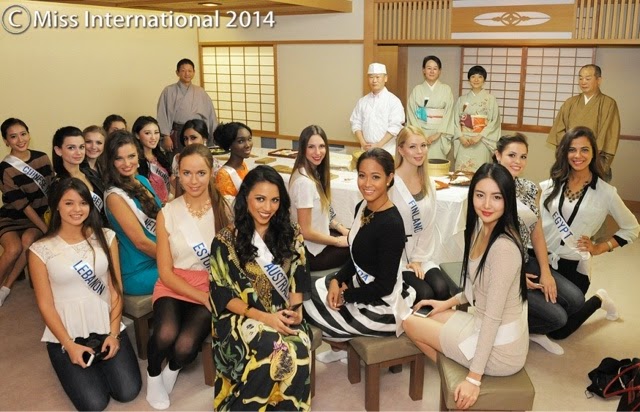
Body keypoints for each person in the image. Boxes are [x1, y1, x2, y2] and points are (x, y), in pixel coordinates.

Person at [403, 163, 528, 411]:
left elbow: (493, 316)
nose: (487, 204)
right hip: (484, 326)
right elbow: (476, 288)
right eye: (480, 195)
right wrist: (446, 303)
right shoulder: (481, 229)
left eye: (496, 197)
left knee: (408, 322)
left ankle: (461, 374)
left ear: (508, 199)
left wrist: (474, 379)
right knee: (426, 314)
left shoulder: (503, 247)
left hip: (501, 349)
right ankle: (455, 366)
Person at [28, 178, 141, 411]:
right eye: (68, 203)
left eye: (83, 203)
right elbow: (45, 305)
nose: (77, 209)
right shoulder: (40, 250)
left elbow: (115, 289)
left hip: (105, 324)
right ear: (56, 206)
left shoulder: (106, 237)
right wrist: (69, 345)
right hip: (67, 334)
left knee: (128, 391)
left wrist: (113, 334)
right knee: (94, 404)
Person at [209, 165, 312, 411]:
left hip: (281, 311)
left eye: (275, 200)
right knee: (271, 345)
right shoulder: (225, 240)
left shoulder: (291, 233)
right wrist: (265, 318)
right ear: (246, 197)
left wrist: (296, 310)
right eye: (260, 199)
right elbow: (222, 295)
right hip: (240, 315)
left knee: (299, 345)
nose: (268, 207)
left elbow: (298, 275)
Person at [304, 148, 415, 363]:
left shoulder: (392, 224)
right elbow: (357, 257)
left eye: (376, 177)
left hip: (381, 304)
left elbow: (384, 286)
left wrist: (346, 296)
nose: (367, 183)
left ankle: (344, 346)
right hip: (361, 284)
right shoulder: (362, 206)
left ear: (389, 178)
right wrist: (337, 280)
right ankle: (341, 343)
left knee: (309, 308)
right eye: (362, 175)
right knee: (304, 291)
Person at [146, 144, 230, 410]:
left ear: (212, 173)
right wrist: (201, 297)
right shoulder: (167, 213)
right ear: (178, 174)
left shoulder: (224, 209)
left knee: (184, 347)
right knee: (165, 333)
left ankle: (172, 368)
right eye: (187, 173)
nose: (194, 181)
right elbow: (165, 272)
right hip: (173, 283)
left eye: (201, 173)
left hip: (209, 284)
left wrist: (213, 294)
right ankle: (153, 374)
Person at [539, 126, 639, 339]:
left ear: (593, 153)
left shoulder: (606, 193)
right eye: (572, 150)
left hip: (573, 266)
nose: (578, 155)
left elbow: (632, 228)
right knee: (537, 313)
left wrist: (600, 247)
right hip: (541, 260)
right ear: (565, 153)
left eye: (584, 149)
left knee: (559, 331)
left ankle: (599, 299)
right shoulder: (552, 183)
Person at [494, 134, 584, 355]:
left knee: (576, 300)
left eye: (523, 156)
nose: (518, 161)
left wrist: (546, 272)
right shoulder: (488, 189)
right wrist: (515, 277)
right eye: (511, 155)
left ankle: (523, 319)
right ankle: (509, 326)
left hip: (524, 261)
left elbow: (537, 233)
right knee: (558, 318)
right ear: (497, 156)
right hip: (499, 269)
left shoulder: (529, 188)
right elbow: (484, 243)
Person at [391, 126, 451, 303]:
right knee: (424, 293)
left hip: (421, 253)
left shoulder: (428, 183)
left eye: (423, 145)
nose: (419, 151)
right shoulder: (390, 183)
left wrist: (417, 259)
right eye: (412, 146)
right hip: (396, 256)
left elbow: (429, 225)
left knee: (442, 289)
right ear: (401, 150)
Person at [0, 118, 53, 307]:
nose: (20, 140)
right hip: (12, 217)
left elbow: (52, 189)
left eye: (23, 134)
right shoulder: (5, 169)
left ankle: (5, 288)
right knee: (13, 249)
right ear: (6, 141)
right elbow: (22, 206)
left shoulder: (42, 158)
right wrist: (46, 230)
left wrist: (48, 223)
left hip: (37, 217)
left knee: (27, 241)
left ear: (29, 134)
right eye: (13, 137)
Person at [103, 131, 162, 296]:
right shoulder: (114, 197)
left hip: (159, 257)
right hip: (139, 270)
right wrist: (176, 258)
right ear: (111, 161)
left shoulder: (142, 180)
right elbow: (141, 243)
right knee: (193, 273)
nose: (127, 163)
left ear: (138, 154)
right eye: (119, 158)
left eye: (131, 156)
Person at [289, 125, 350, 271]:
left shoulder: (311, 172)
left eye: (321, 146)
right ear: (303, 148)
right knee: (362, 245)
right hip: (311, 252)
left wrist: (341, 229)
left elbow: (324, 213)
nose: (317, 152)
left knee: (356, 234)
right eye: (311, 147)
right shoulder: (304, 183)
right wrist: (337, 241)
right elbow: (305, 231)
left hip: (318, 241)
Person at [547, 64, 620, 181]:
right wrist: (570, 151)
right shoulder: (570, 103)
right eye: (580, 78)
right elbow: (559, 130)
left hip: (594, 160)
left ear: (599, 80)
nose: (583, 82)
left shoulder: (608, 104)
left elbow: (609, 135)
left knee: (592, 190)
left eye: (588, 78)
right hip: (571, 159)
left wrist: (587, 154)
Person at [157, 58, 217, 153]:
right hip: (178, 132)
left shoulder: (200, 91)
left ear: (194, 72)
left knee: (197, 156)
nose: (187, 74)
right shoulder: (168, 91)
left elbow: (210, 114)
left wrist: (213, 134)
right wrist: (166, 136)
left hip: (197, 132)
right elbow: (162, 114)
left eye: (190, 71)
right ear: (177, 72)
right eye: (183, 71)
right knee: (179, 158)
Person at [51, 126, 107, 225]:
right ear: (58, 150)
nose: (78, 152)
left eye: (81, 147)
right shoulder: (59, 184)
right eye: (71, 148)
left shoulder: (91, 173)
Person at [453, 65, 501, 172]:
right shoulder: (461, 99)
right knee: (462, 172)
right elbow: (455, 121)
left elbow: (494, 122)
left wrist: (479, 136)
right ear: (469, 80)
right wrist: (460, 137)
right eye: (473, 76)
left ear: (484, 80)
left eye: (480, 77)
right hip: (464, 140)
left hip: (482, 140)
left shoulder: (490, 99)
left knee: (480, 172)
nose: (476, 79)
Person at [406, 56, 455, 160]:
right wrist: (420, 135)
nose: (432, 71)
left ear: (439, 71)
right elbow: (411, 113)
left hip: (440, 134)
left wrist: (438, 134)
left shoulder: (446, 90)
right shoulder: (417, 90)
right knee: (420, 162)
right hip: (420, 132)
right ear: (423, 70)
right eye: (429, 68)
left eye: (435, 68)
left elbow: (449, 114)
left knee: (437, 163)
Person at [350, 63, 405, 154]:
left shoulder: (394, 101)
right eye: (371, 77)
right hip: (366, 149)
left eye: (377, 77)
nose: (374, 80)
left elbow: (395, 126)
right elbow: (355, 123)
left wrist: (379, 144)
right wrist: (363, 143)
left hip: (387, 150)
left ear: (385, 78)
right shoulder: (362, 101)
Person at [170, 119, 222, 197]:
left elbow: (216, 192)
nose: (188, 143)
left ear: (204, 139)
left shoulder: (213, 162)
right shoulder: (178, 159)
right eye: (185, 139)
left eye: (193, 138)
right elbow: (178, 193)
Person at [132, 116, 172, 204]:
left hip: (168, 205)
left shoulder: (161, 157)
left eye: (156, 132)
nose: (153, 137)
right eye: (147, 133)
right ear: (137, 135)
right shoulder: (135, 161)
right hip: (151, 207)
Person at [214, 122, 253, 199]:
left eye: (249, 139)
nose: (248, 145)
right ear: (229, 145)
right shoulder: (223, 175)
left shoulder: (242, 165)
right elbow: (226, 203)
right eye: (241, 141)